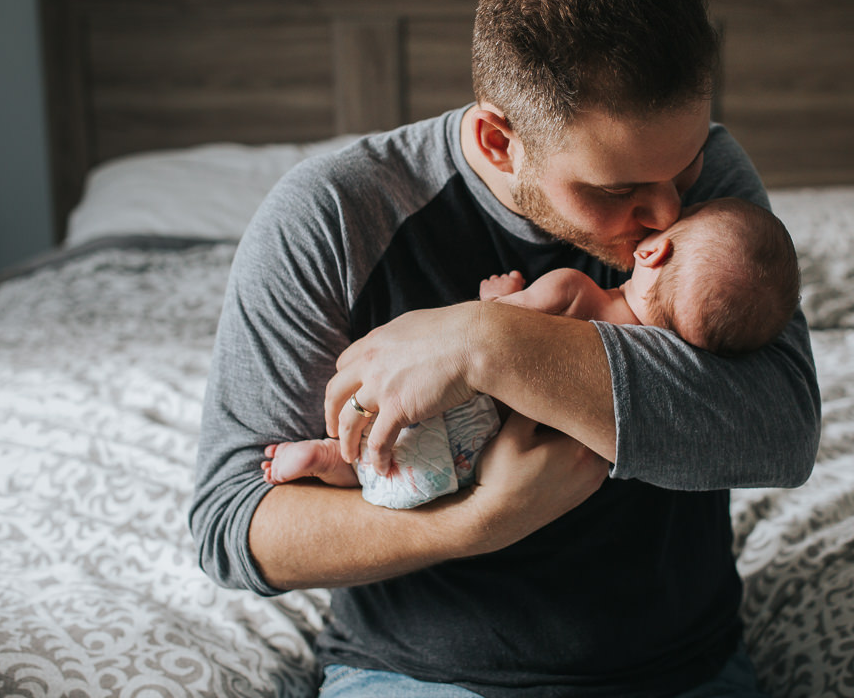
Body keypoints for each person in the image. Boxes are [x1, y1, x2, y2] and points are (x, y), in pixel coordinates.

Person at [191, 0, 821, 698]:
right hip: (411, 697)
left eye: (682, 166)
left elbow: (781, 434)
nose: (667, 211)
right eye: (616, 191)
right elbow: (232, 525)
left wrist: (491, 340)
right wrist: (481, 521)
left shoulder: (707, 179)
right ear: (498, 141)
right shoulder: (334, 215)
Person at [259, 197, 802, 512]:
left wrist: (493, 301)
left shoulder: (575, 289)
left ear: (652, 250)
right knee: (419, 467)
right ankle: (336, 464)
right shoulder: (664, 363)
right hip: (489, 450)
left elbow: (490, 331)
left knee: (393, 436)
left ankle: (332, 456)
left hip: (465, 403)